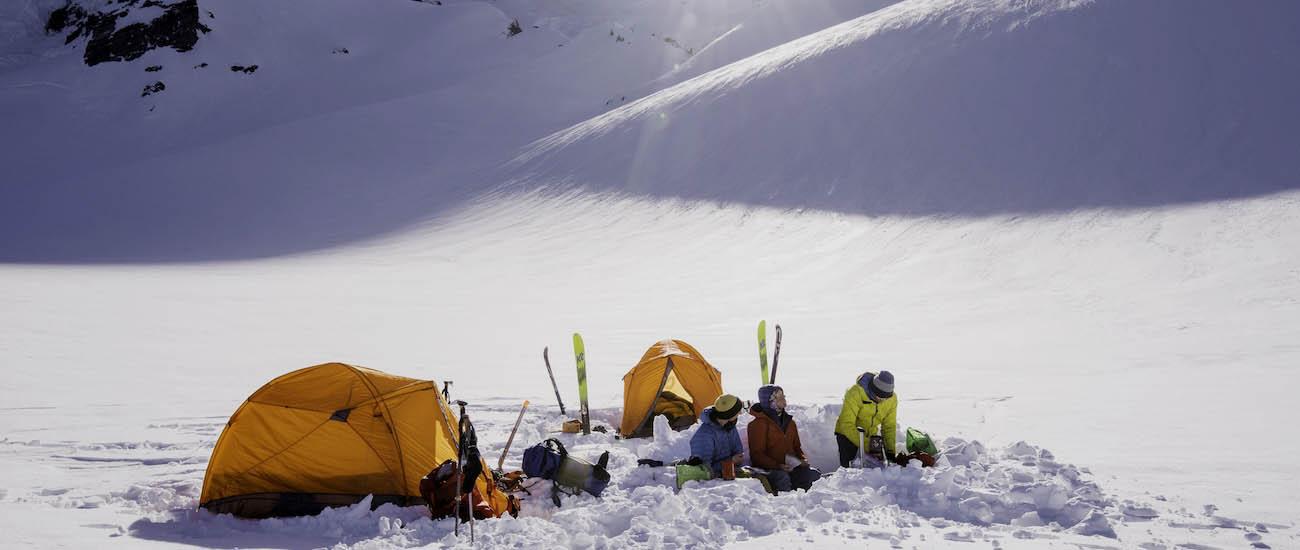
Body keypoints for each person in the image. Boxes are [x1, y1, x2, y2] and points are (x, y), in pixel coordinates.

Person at [747, 385, 821, 493]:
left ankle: (808, 504)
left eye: (783, 395)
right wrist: (778, 466)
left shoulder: (790, 423)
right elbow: (757, 455)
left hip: (789, 467)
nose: (784, 399)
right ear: (769, 401)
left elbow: (797, 447)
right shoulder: (757, 425)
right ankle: (785, 505)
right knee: (782, 478)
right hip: (768, 469)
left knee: (813, 474)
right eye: (778, 396)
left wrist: (802, 460)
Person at [834, 370, 897, 468]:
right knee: (850, 468)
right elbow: (846, 423)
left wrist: (890, 452)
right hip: (848, 434)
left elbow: (889, 426)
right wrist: (868, 445)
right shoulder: (855, 393)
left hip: (871, 435)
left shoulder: (892, 400)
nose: (882, 400)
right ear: (873, 389)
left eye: (885, 398)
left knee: (875, 468)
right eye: (879, 396)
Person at [688, 394, 745, 478]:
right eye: (738, 411)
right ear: (729, 414)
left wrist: (737, 458)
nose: (740, 413)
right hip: (713, 481)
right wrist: (731, 461)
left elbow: (737, 450)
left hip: (730, 472)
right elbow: (704, 469)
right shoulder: (704, 435)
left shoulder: (730, 426)